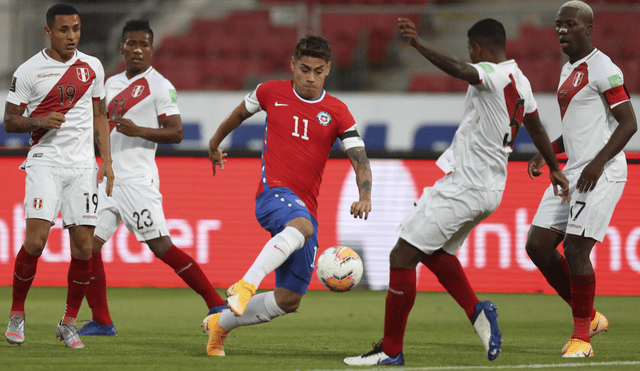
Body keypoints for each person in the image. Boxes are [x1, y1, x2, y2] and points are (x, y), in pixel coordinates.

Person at [344, 18, 570, 366]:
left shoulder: (490, 74)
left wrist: (419, 46)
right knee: (432, 252)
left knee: (401, 256)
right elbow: (536, 127)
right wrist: (554, 166)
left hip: (466, 184)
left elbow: (464, 71)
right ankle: (476, 310)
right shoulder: (519, 80)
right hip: (489, 188)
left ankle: (391, 351)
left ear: (479, 47)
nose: (470, 54)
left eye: (470, 48)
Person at [202, 35, 372, 356]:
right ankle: (246, 284)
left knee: (289, 300)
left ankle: (220, 325)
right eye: (304, 69)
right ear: (292, 65)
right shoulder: (270, 92)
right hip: (272, 194)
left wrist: (366, 194)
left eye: (318, 71)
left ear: (328, 70)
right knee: (302, 226)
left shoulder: (337, 112)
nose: (310, 77)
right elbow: (238, 115)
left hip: (305, 210)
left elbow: (360, 158)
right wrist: (214, 143)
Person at [76, 20, 228, 336]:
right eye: (132, 43)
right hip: (107, 178)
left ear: (151, 50)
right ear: (122, 47)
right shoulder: (110, 84)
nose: (138, 50)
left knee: (161, 246)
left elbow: (177, 132)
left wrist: (138, 130)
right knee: (87, 247)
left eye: (144, 44)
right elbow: (100, 128)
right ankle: (102, 321)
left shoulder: (160, 86)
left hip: (136, 180)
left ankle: (215, 302)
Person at [525, 1, 637, 358]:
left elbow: (629, 123)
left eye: (569, 25)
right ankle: (589, 317)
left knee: (575, 249)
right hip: (574, 170)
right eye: (558, 25)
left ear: (588, 28)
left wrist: (599, 162)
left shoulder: (604, 69)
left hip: (600, 173)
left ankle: (582, 340)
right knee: (538, 246)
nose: (561, 31)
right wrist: (549, 151)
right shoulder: (570, 68)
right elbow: (576, 127)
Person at [3, 4, 115, 349]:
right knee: (35, 242)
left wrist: (106, 160)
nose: (72, 36)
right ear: (48, 32)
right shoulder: (28, 71)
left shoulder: (93, 66)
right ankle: (17, 314)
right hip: (44, 161)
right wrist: (39, 120)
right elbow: (9, 121)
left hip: (82, 167)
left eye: (76, 29)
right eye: (64, 30)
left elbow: (100, 115)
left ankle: (68, 322)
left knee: (83, 249)